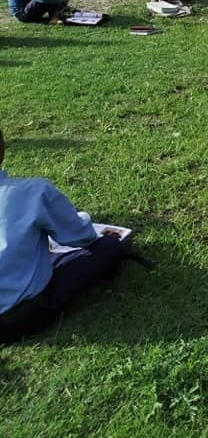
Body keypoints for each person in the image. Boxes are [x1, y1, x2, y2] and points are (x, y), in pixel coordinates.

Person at [0, 129, 127, 343]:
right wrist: (83, 217)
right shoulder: (32, 192)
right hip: (16, 317)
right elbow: (81, 236)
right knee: (109, 245)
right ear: (3, 146)